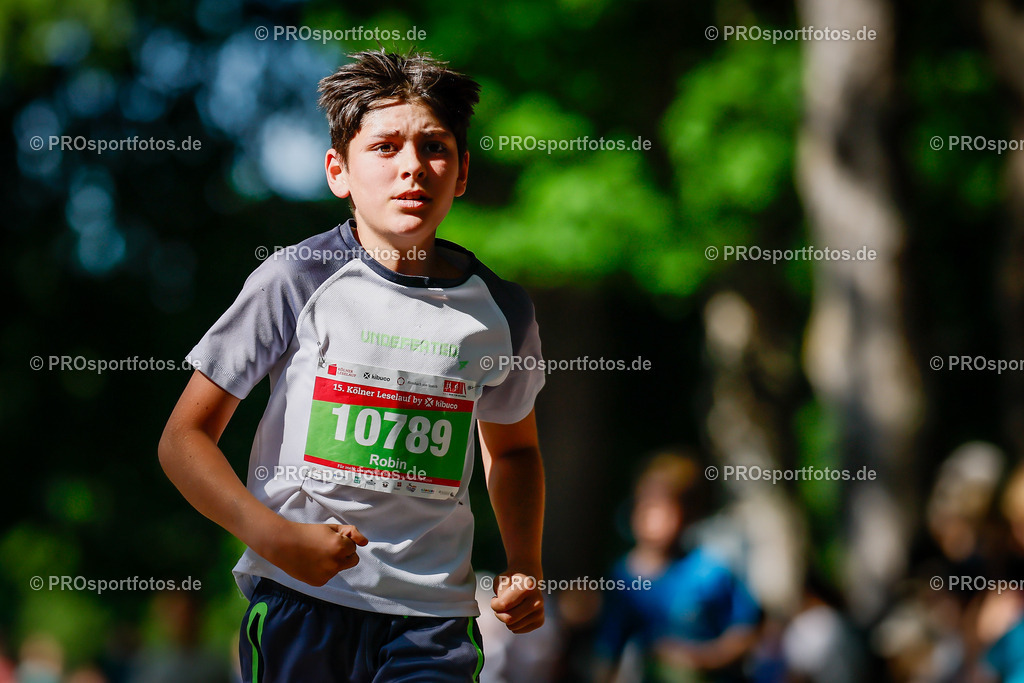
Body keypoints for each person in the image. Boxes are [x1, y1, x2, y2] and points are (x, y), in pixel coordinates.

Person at [158, 49, 546, 682]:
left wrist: (524, 562)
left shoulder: (502, 310)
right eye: (385, 147)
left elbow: (517, 453)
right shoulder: (292, 279)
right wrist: (275, 539)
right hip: (300, 606)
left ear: (464, 171)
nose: (413, 168)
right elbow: (183, 440)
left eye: (435, 148)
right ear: (339, 171)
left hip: (435, 622)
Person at [593, 452, 761, 682]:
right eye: (646, 505)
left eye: (664, 507)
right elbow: (608, 653)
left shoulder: (711, 571)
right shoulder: (623, 577)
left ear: (689, 514)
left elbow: (746, 633)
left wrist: (699, 658)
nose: (653, 517)